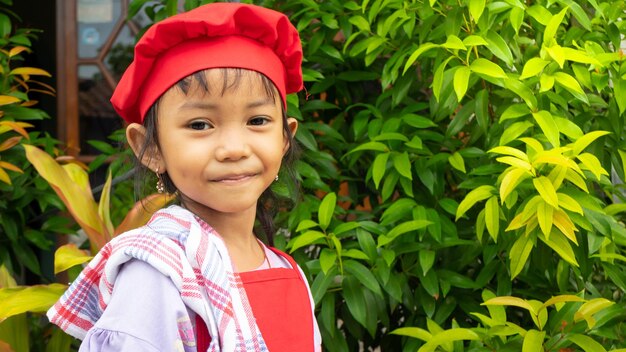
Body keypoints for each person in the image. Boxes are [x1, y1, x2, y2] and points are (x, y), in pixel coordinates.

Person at [47, 2, 321, 351]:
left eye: (257, 121)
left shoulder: (288, 272)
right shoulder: (156, 276)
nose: (233, 148)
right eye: (200, 125)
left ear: (285, 137)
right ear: (150, 148)